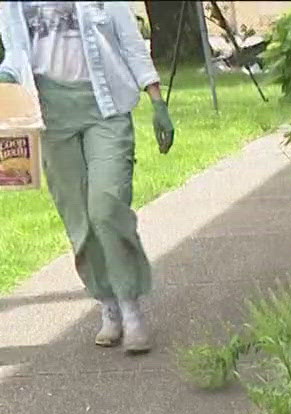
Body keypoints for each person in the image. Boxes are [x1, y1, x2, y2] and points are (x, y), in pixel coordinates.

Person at [0, 0, 173, 353]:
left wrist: (157, 101)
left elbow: (131, 42)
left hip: (104, 108)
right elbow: (16, 51)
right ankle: (107, 304)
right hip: (49, 114)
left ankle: (130, 306)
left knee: (107, 207)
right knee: (79, 218)